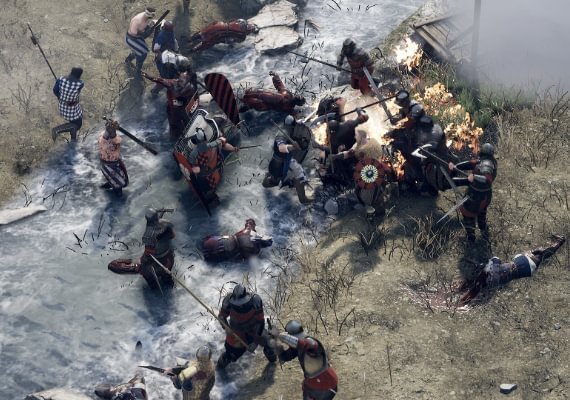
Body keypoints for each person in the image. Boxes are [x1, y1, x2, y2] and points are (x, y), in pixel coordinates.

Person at [461, 235, 566, 303]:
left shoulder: (490, 283)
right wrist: (489, 262)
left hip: (524, 269)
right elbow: (496, 258)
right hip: (521, 263)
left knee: (540, 254)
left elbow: (475, 288)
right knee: (541, 253)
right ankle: (560, 241)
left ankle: (555, 243)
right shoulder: (493, 269)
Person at [273, 320, 338, 400]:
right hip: (315, 384)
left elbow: (300, 343)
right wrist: (276, 345)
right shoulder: (299, 347)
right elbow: (286, 357)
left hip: (326, 384)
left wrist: (279, 336)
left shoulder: (311, 343)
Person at [216, 284, 276, 369]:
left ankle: (272, 365)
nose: (240, 306)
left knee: (269, 343)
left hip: (254, 329)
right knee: (231, 354)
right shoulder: (228, 300)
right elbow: (222, 316)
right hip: (237, 332)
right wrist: (226, 327)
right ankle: (218, 370)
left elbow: (260, 321)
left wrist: (255, 341)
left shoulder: (255, 300)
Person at [449, 143, 498, 242]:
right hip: (484, 195)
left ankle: (471, 236)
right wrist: (456, 166)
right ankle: (483, 227)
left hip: (477, 195)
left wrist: (474, 176)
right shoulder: (486, 161)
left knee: (468, 213)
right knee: (482, 211)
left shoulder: (487, 163)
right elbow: (471, 163)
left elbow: (487, 179)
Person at [262, 116, 313, 204]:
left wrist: (301, 123)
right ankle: (303, 199)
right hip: (279, 166)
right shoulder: (281, 134)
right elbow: (282, 148)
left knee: (276, 180)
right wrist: (293, 147)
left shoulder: (288, 131)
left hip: (282, 162)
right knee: (299, 176)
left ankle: (267, 182)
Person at [143, 65, 198, 139]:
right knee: (174, 128)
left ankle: (188, 136)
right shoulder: (173, 83)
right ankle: (175, 138)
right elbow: (159, 80)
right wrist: (148, 76)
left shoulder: (190, 87)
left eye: (187, 77)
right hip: (173, 110)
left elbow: (192, 100)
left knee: (186, 125)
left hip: (182, 110)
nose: (183, 77)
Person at [200, 218, 273, 262]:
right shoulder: (256, 251)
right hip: (228, 250)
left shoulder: (249, 230)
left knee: (204, 245)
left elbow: (249, 222)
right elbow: (242, 258)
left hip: (223, 240)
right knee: (207, 259)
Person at [140, 208, 175, 290]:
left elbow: (149, 251)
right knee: (167, 276)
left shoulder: (147, 235)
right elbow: (171, 234)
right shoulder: (167, 224)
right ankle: (168, 283)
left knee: (146, 271)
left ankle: (156, 287)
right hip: (169, 255)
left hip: (160, 259)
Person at [241, 71, 306, 115]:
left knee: (259, 101)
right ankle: (247, 104)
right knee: (258, 103)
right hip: (260, 99)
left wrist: (275, 76)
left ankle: (247, 103)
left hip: (264, 100)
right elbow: (264, 96)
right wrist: (248, 96)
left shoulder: (289, 105)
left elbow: (280, 86)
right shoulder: (284, 97)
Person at [52, 67, 84, 141]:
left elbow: (55, 90)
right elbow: (77, 92)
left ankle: (73, 140)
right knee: (77, 125)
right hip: (72, 108)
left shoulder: (60, 79)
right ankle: (56, 130)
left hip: (62, 106)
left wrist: (60, 97)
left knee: (74, 124)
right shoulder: (80, 84)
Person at [188, 19, 259, 52]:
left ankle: (190, 40)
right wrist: (230, 46)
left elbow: (231, 20)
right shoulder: (242, 37)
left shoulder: (242, 20)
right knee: (207, 43)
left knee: (203, 32)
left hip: (220, 24)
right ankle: (192, 50)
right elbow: (231, 41)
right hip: (221, 34)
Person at [98, 120, 128, 196]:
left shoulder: (111, 140)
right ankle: (112, 187)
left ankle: (109, 185)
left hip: (114, 162)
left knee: (120, 180)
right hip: (108, 165)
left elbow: (113, 139)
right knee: (119, 186)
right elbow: (106, 141)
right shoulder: (104, 142)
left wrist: (112, 128)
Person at [151, 20, 180, 95]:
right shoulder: (161, 36)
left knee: (175, 74)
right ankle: (154, 91)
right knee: (165, 78)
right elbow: (156, 49)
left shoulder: (171, 34)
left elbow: (175, 44)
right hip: (162, 62)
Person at [125, 7, 156, 76]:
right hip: (131, 39)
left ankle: (128, 60)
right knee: (143, 53)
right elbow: (133, 34)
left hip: (137, 37)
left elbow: (143, 28)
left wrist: (148, 29)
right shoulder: (137, 20)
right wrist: (144, 34)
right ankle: (137, 70)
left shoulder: (146, 18)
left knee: (140, 50)